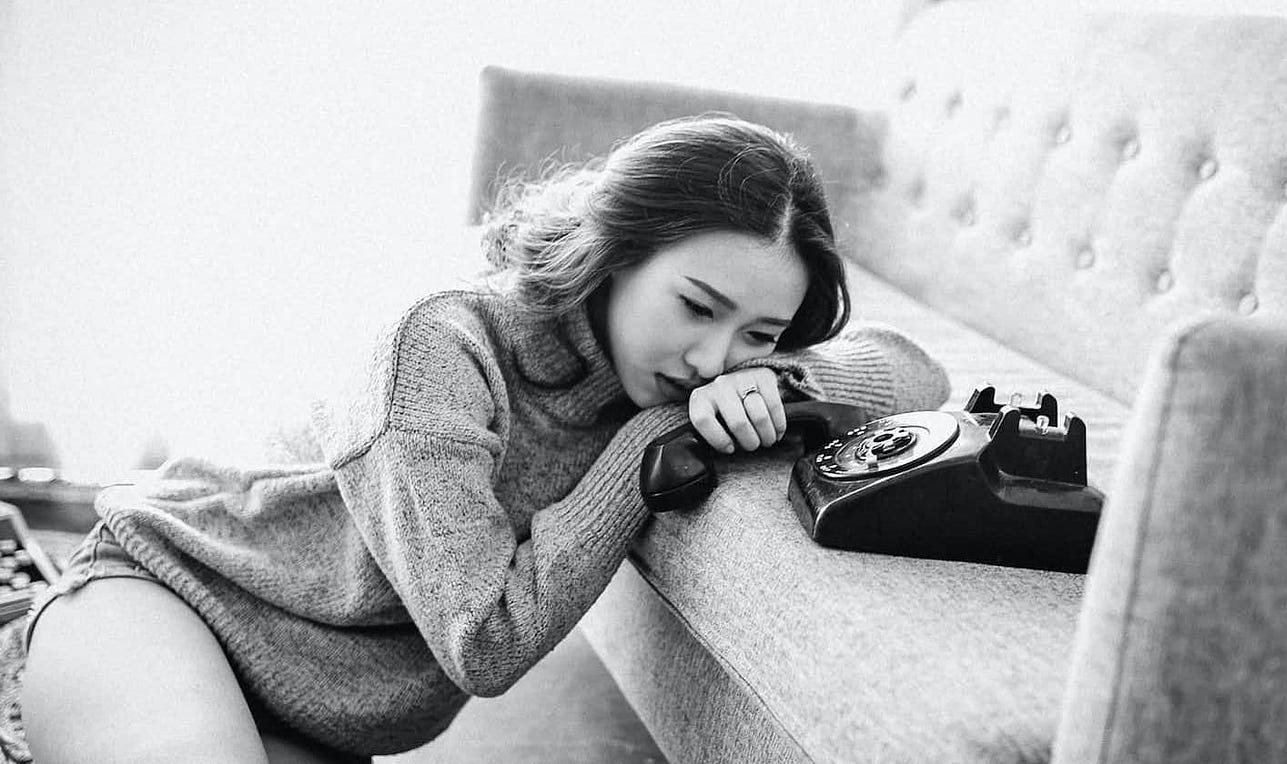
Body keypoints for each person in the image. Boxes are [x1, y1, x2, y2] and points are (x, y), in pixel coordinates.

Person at [18, 115, 949, 762]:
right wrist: (656, 440)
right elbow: (485, 643)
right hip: (164, 608)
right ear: (614, 252)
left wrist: (781, 380)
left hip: (309, 716)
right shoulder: (440, 346)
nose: (715, 361)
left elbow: (916, 370)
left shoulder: (677, 359)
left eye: (758, 332)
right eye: (698, 307)